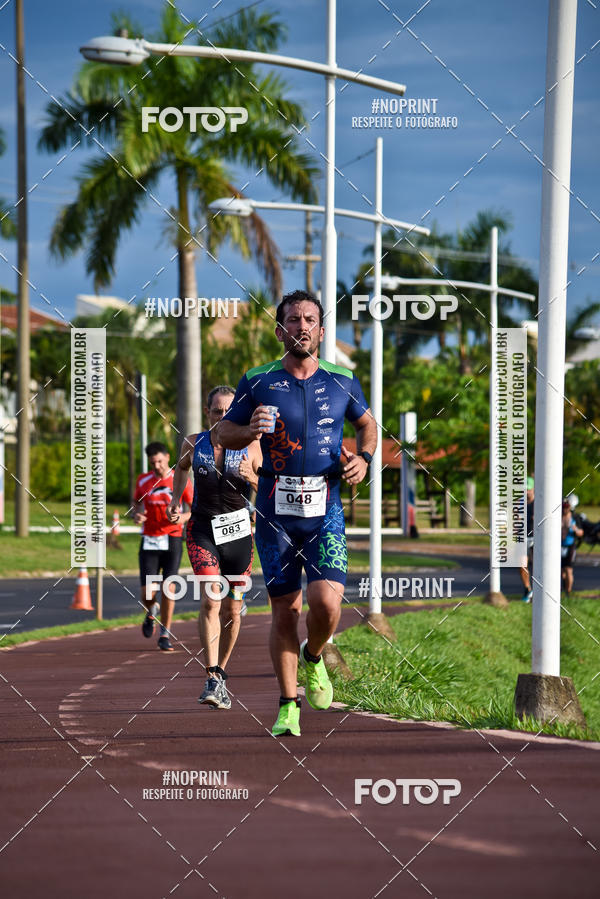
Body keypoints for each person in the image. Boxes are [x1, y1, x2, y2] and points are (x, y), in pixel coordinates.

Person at [218, 289, 377, 737]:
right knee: (284, 609)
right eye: (292, 319)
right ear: (279, 330)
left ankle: (313, 656)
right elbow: (223, 431)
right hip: (273, 511)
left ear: (322, 331)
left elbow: (368, 425)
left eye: (309, 319)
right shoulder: (258, 379)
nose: (301, 326)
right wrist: (248, 428)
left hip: (324, 507)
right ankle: (289, 704)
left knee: (327, 605)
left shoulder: (342, 379)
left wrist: (363, 459)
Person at [167, 386, 261, 710]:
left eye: (228, 411)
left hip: (238, 535)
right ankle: (211, 676)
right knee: (211, 599)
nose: (222, 417)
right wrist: (176, 499)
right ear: (207, 413)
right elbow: (180, 469)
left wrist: (253, 478)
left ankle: (222, 671)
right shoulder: (194, 442)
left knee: (233, 610)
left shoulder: (251, 445)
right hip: (203, 530)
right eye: (216, 411)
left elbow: (269, 488)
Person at [133, 441, 193, 651]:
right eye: (153, 462)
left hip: (172, 538)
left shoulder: (180, 479)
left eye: (160, 461)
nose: (157, 465)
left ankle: (165, 634)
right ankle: (151, 610)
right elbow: (135, 504)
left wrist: (182, 518)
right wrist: (137, 514)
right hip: (149, 539)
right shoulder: (143, 481)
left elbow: (194, 508)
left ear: (167, 457)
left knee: (170, 587)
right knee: (147, 593)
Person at [561, 499, 584, 596]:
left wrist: (575, 529)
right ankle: (564, 589)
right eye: (563, 507)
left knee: (568, 570)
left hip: (570, 545)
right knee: (561, 572)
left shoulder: (575, 517)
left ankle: (568, 592)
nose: (565, 509)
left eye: (567, 507)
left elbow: (581, 533)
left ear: (570, 507)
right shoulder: (558, 517)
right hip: (560, 546)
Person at [519, 477, 535, 602]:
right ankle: (527, 589)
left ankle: (538, 589)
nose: (526, 492)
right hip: (524, 537)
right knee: (522, 564)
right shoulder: (520, 503)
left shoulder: (539, 502)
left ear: (533, 488)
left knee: (537, 564)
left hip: (536, 537)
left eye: (528, 489)